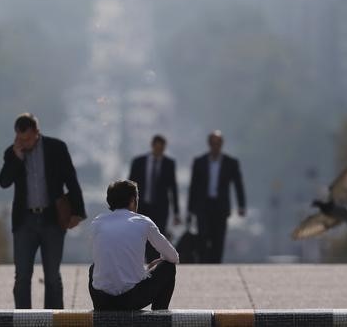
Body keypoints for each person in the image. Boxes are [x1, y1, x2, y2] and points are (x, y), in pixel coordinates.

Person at [0, 113, 86, 309]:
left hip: (52, 219)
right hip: (24, 221)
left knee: (52, 276)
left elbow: (71, 180)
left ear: (37, 132)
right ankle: (22, 319)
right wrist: (17, 157)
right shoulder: (12, 153)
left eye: (28, 139)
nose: (24, 143)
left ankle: (55, 318)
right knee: (22, 276)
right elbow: (3, 182)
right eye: (20, 139)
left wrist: (77, 212)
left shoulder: (56, 148)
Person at [88, 180, 179, 311]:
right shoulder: (143, 222)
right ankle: (159, 317)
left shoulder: (97, 222)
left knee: (93, 268)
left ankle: (102, 315)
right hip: (131, 299)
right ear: (132, 200)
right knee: (168, 268)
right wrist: (155, 266)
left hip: (102, 300)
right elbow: (174, 257)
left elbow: (97, 253)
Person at [186, 130, 246, 263]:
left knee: (218, 238)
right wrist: (190, 210)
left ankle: (215, 264)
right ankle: (203, 262)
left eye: (218, 143)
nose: (215, 146)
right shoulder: (199, 162)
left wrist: (241, 205)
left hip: (220, 207)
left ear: (222, 144)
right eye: (213, 143)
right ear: (209, 144)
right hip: (203, 206)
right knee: (202, 236)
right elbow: (193, 187)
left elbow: (238, 184)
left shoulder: (230, 163)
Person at [128, 134, 180, 261]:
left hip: (161, 208)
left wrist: (176, 212)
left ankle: (154, 264)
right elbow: (130, 184)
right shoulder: (139, 162)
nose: (159, 151)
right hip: (142, 207)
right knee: (141, 236)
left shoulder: (169, 164)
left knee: (158, 236)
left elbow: (173, 188)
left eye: (161, 149)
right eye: (157, 148)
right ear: (152, 146)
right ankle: (143, 261)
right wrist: (128, 205)